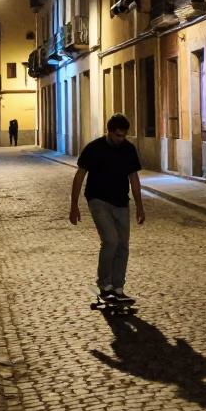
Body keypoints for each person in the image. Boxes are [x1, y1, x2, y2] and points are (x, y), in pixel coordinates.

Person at [69, 113, 144, 304]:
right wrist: (74, 205)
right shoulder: (94, 148)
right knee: (110, 240)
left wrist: (140, 206)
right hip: (98, 200)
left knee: (123, 245)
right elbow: (79, 176)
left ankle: (118, 287)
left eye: (124, 135)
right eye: (117, 135)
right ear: (109, 132)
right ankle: (104, 284)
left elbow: (134, 178)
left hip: (121, 202)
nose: (121, 139)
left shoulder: (128, 149)